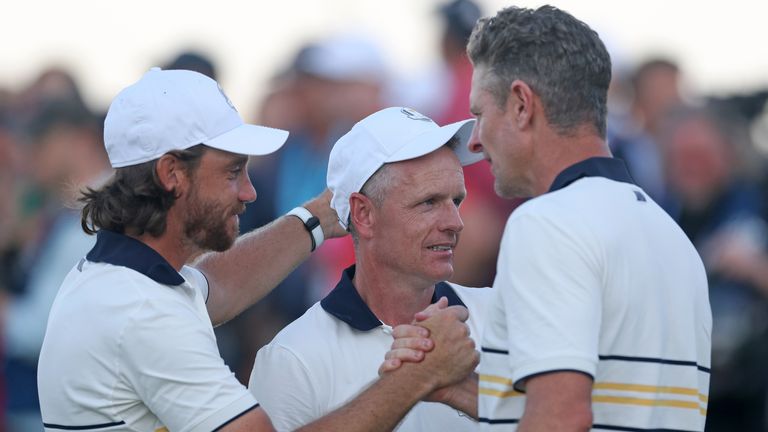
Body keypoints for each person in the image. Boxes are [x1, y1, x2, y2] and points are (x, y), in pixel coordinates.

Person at [36, 68, 479, 432]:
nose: (249, 192)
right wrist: (422, 375)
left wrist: (321, 215)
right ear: (172, 173)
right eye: (232, 171)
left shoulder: (128, 281)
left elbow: (218, 286)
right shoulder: (143, 312)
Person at [386, 5, 712, 431]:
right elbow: (604, 407)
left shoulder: (547, 223)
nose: (477, 142)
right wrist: (454, 386)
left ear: (522, 105)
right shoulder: (671, 235)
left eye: (480, 115)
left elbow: (562, 418)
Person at [249, 107, 492, 431]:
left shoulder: (502, 315)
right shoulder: (292, 358)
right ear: (363, 214)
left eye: (456, 201)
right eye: (429, 202)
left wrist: (467, 392)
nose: (455, 223)